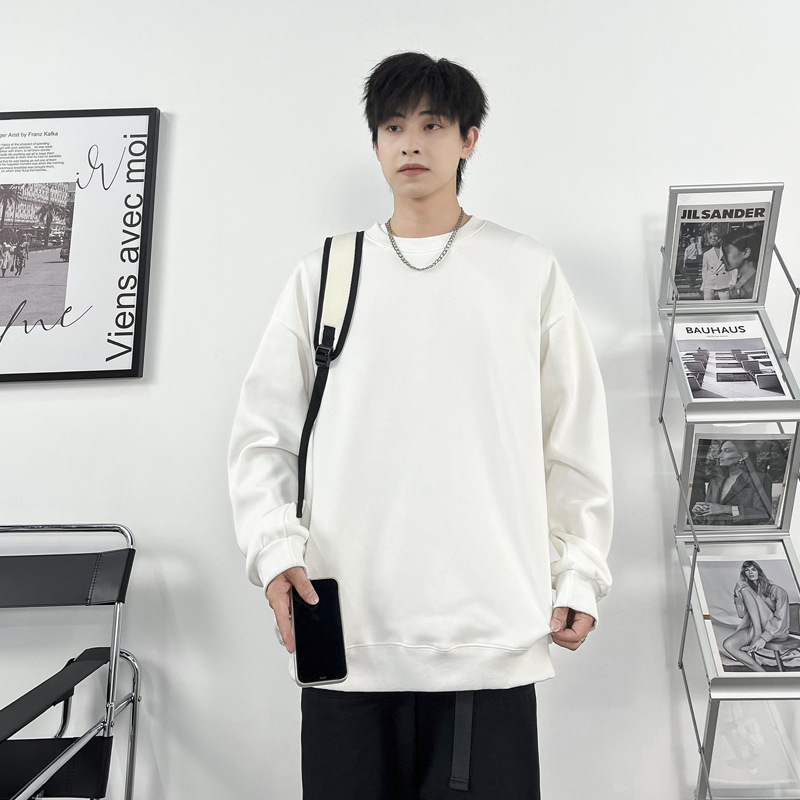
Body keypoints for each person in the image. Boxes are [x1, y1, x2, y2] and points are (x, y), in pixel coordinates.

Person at [228, 52, 613, 799]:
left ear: (469, 139)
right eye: (393, 126)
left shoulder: (526, 269)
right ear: (375, 143)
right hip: (347, 630)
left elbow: (575, 437)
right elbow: (263, 433)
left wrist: (580, 572)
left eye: (433, 125)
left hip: (490, 631)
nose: (411, 142)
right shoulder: (326, 273)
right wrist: (273, 552)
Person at [723, 561, 790, 671]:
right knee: (729, 645)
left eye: (753, 569)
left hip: (775, 632)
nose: (750, 572)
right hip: (755, 628)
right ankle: (762, 673)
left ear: (759, 572)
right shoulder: (749, 592)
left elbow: (782, 620)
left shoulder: (777, 591)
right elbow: (742, 615)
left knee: (745, 589)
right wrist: (736, 594)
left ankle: (758, 633)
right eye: (747, 570)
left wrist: (763, 638)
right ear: (744, 574)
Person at [691, 440, 772, 525]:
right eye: (721, 451)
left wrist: (726, 509)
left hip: (739, 533)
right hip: (713, 532)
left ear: (743, 456)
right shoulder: (715, 482)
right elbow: (707, 520)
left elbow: (763, 514)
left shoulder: (760, 479)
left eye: (727, 451)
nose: (719, 455)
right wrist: (700, 512)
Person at [722, 229, 761, 300]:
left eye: (727, 252)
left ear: (745, 253)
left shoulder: (752, 289)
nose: (721, 258)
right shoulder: (747, 279)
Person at [700, 223, 730, 301]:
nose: (713, 239)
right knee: (707, 303)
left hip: (723, 281)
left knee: (725, 303)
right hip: (709, 282)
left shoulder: (728, 251)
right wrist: (704, 285)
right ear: (708, 240)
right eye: (710, 237)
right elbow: (704, 271)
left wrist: (733, 282)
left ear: (719, 236)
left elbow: (733, 268)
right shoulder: (707, 254)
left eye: (715, 236)